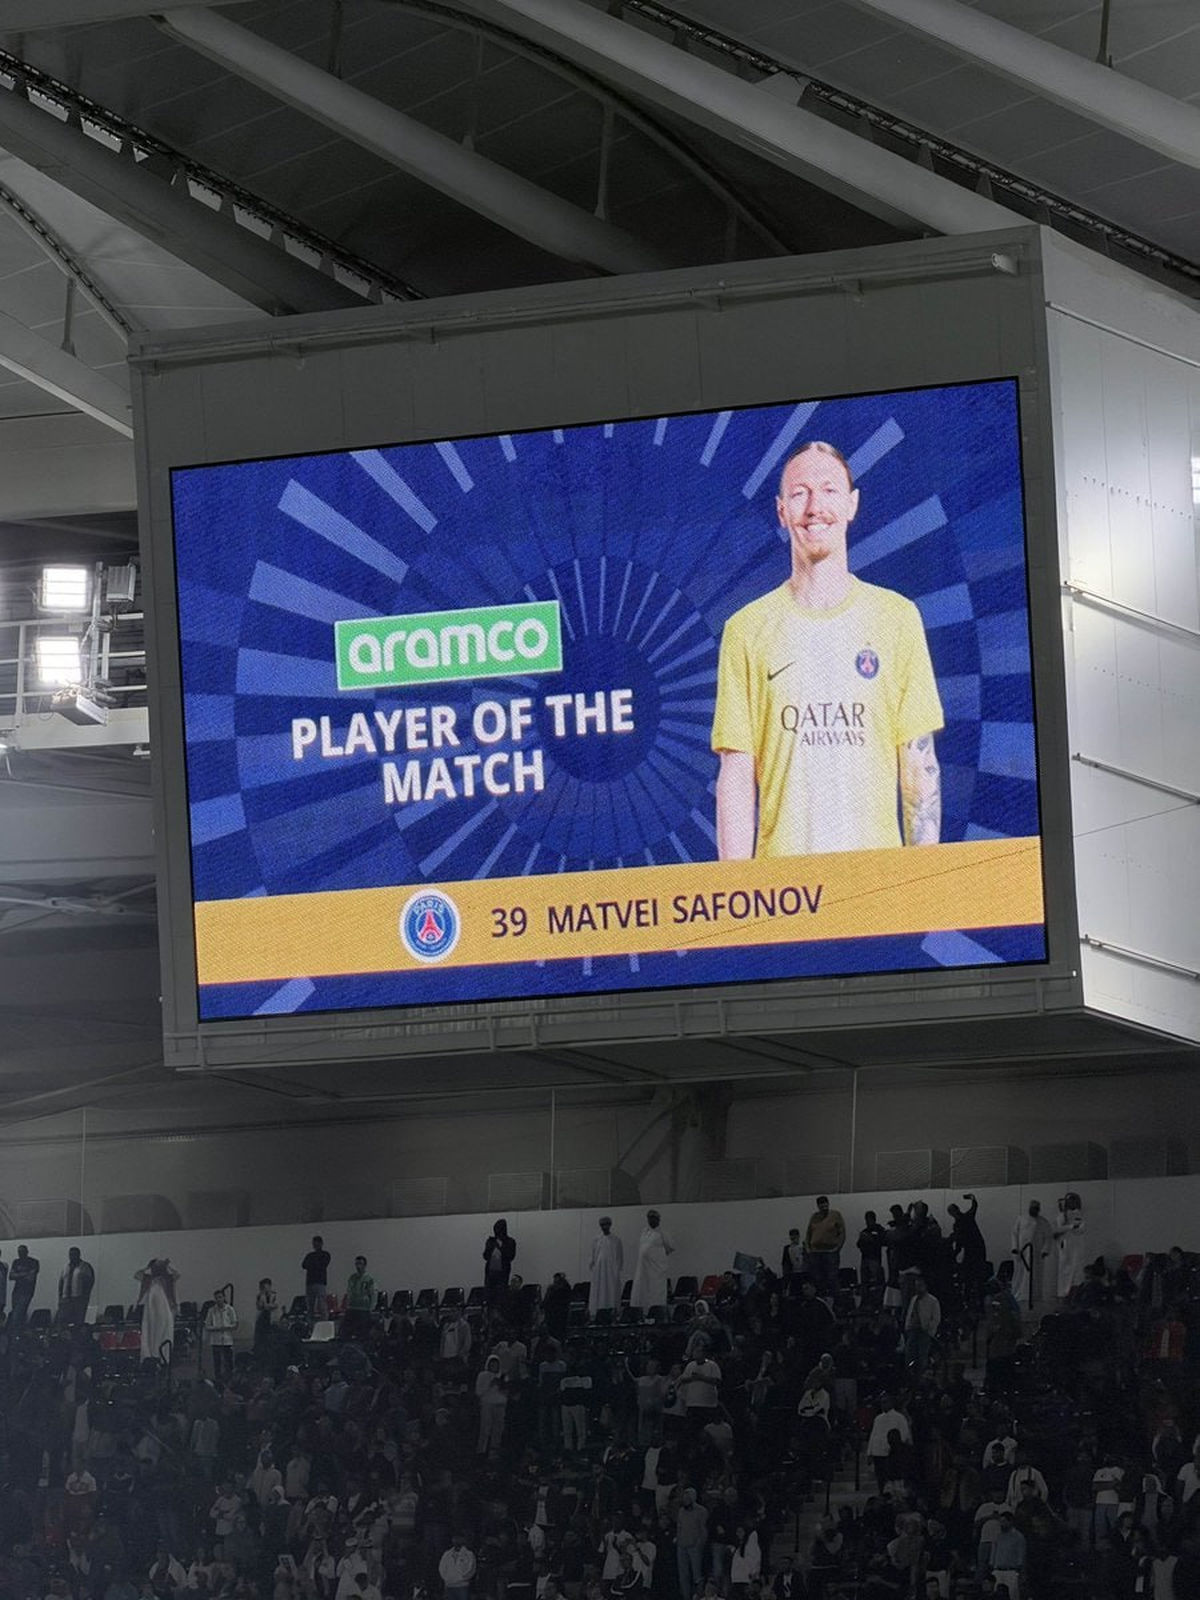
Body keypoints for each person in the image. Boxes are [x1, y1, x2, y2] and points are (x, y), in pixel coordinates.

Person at [712, 440, 943, 860]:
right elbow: (737, 773)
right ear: (782, 511)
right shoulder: (745, 630)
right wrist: (737, 900)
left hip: (877, 888)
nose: (815, 506)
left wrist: (922, 886)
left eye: (830, 490)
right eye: (800, 493)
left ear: (852, 504)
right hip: (783, 897)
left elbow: (918, 763)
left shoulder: (897, 618)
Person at [1010, 1202, 1054, 1311]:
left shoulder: (1043, 1222)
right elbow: (1014, 1233)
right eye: (1032, 1208)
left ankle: (1034, 1296)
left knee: (1035, 1275)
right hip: (1022, 1253)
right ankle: (1019, 1294)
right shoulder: (1021, 1219)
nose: (1034, 1210)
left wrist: (1045, 1250)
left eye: (1036, 1209)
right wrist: (1015, 1247)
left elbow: (1048, 1237)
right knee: (1020, 1274)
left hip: (1036, 1254)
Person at [134, 1257, 179, 1363]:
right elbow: (137, 1274)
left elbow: (177, 1274)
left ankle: (162, 1357)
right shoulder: (148, 1279)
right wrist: (147, 1267)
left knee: (163, 1331)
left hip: (164, 1308)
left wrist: (168, 1266)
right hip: (151, 1309)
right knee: (151, 1331)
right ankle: (151, 1356)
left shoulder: (167, 1279)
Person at [630, 1210, 674, 1311]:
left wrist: (657, 1256)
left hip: (656, 1269)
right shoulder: (644, 1231)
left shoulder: (663, 1232)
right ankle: (642, 1312)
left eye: (654, 1218)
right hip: (643, 1269)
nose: (652, 1220)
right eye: (650, 1218)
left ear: (658, 1220)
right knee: (641, 1289)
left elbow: (670, 1247)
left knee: (655, 1291)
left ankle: (656, 1312)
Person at [803, 1196, 845, 1296]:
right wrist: (809, 1249)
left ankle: (837, 1303)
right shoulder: (814, 1217)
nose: (824, 1207)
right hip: (815, 1253)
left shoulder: (835, 1215)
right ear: (818, 1206)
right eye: (821, 1205)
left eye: (826, 1204)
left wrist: (837, 1248)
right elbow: (808, 1234)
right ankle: (821, 1301)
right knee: (817, 1278)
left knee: (832, 1277)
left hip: (830, 1252)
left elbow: (842, 1233)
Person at [903, 1275, 941, 1372]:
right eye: (916, 1286)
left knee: (922, 1355)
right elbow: (910, 1313)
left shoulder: (933, 1301)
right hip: (912, 1330)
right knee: (909, 1354)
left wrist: (929, 1330)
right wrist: (907, 1326)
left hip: (924, 1331)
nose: (918, 1288)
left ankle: (922, 1374)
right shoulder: (914, 1299)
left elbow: (936, 1318)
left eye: (920, 1286)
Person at [589, 1216, 624, 1315]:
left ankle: (612, 1312)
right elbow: (593, 1256)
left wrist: (617, 1269)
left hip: (612, 1271)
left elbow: (619, 1257)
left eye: (606, 1224)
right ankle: (597, 1313)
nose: (604, 1227)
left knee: (611, 1291)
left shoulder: (616, 1240)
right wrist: (594, 1267)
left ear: (610, 1225)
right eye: (602, 1225)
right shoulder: (596, 1240)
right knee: (599, 1291)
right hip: (599, 1271)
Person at [1054, 1193, 1086, 1299]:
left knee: (1076, 1268)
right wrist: (1070, 1226)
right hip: (1065, 1245)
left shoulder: (1080, 1214)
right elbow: (1058, 1229)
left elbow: (1081, 1229)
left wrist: (1069, 1227)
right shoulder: (1061, 1215)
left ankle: (1074, 1292)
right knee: (1064, 1269)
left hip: (1076, 1246)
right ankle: (1063, 1293)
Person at [205, 1288, 238, 1381]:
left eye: (220, 1297)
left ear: (224, 1297)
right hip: (216, 1340)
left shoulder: (230, 1309)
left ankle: (230, 1379)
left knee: (229, 1361)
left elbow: (235, 1324)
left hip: (227, 1340)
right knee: (217, 1362)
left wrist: (227, 1327)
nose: (218, 1300)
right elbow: (207, 1325)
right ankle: (218, 1379)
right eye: (216, 1298)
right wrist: (216, 1328)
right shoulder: (211, 1310)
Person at [57, 1247, 95, 1326]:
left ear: (79, 1255)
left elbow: (90, 1282)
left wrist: (85, 1297)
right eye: (70, 1255)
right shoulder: (65, 1267)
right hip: (65, 1300)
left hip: (78, 1299)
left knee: (78, 1323)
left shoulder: (85, 1266)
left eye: (74, 1254)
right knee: (62, 1322)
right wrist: (60, 1298)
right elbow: (61, 1283)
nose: (72, 1256)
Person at [483, 1220, 516, 1307]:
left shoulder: (510, 1242)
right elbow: (485, 1256)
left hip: (502, 1274)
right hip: (491, 1274)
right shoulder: (491, 1241)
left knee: (501, 1299)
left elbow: (510, 1256)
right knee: (490, 1299)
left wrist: (501, 1247)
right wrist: (492, 1246)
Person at [9, 1243, 39, 1331]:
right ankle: (21, 1333)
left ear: (27, 1252)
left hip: (27, 1292)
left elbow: (31, 1277)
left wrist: (18, 1274)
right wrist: (25, 1273)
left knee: (17, 1315)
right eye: (19, 1252)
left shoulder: (34, 1262)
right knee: (19, 1314)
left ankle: (15, 1333)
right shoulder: (16, 1262)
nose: (20, 1253)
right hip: (16, 1291)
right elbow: (11, 1276)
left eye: (22, 1251)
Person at [344, 1255, 376, 1338]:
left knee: (363, 1332)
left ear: (365, 1265)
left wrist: (372, 1308)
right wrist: (348, 1304)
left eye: (360, 1264)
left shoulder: (369, 1279)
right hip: (353, 1307)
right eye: (357, 1264)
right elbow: (349, 1291)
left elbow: (373, 1293)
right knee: (347, 1331)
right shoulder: (352, 1278)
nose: (358, 1266)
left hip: (364, 1309)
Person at [438, 1535, 476, 1600]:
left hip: (462, 1586)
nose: (456, 1540)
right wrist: (447, 1578)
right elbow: (441, 1568)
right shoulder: (447, 1554)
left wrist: (462, 1578)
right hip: (448, 1586)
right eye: (455, 1539)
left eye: (458, 1539)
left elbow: (471, 1569)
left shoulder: (469, 1554)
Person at [301, 1236, 330, 1319]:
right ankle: (310, 1327)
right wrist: (314, 1264)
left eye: (317, 1243)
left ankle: (325, 1324)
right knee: (310, 1307)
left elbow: (322, 1264)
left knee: (322, 1306)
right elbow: (303, 1265)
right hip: (310, 1283)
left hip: (320, 1283)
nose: (315, 1245)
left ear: (321, 1244)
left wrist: (312, 1264)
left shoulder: (325, 1254)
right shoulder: (310, 1255)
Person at [857, 1211, 886, 1289]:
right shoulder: (864, 1231)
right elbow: (858, 1244)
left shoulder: (879, 1230)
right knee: (865, 1282)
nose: (867, 1222)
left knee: (876, 1283)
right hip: (865, 1258)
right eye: (866, 1219)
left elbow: (883, 1241)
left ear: (874, 1219)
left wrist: (870, 1238)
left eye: (869, 1219)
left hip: (874, 1259)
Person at [254, 1278, 278, 1356]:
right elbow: (259, 1306)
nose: (263, 1289)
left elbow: (275, 1305)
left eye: (265, 1287)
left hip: (271, 1320)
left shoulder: (275, 1295)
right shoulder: (260, 1296)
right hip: (262, 1320)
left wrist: (266, 1306)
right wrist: (262, 1297)